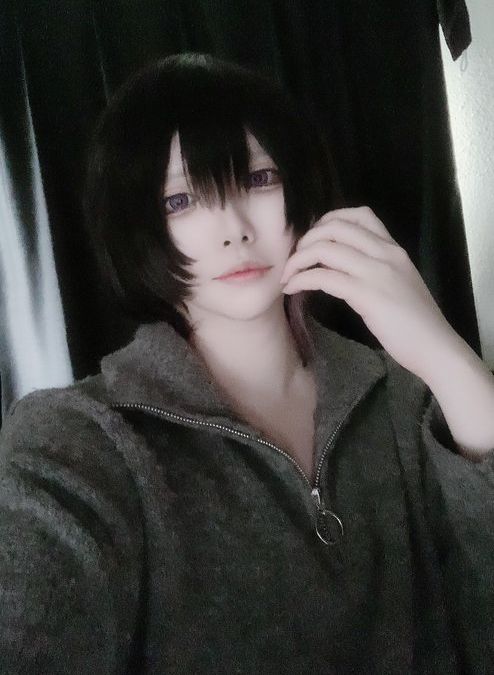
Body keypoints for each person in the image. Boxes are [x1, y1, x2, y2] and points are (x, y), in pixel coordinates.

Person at [0, 52, 493, 674]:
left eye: (258, 179)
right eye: (181, 199)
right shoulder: (78, 441)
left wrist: (444, 354)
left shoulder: (403, 396)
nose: (232, 229)